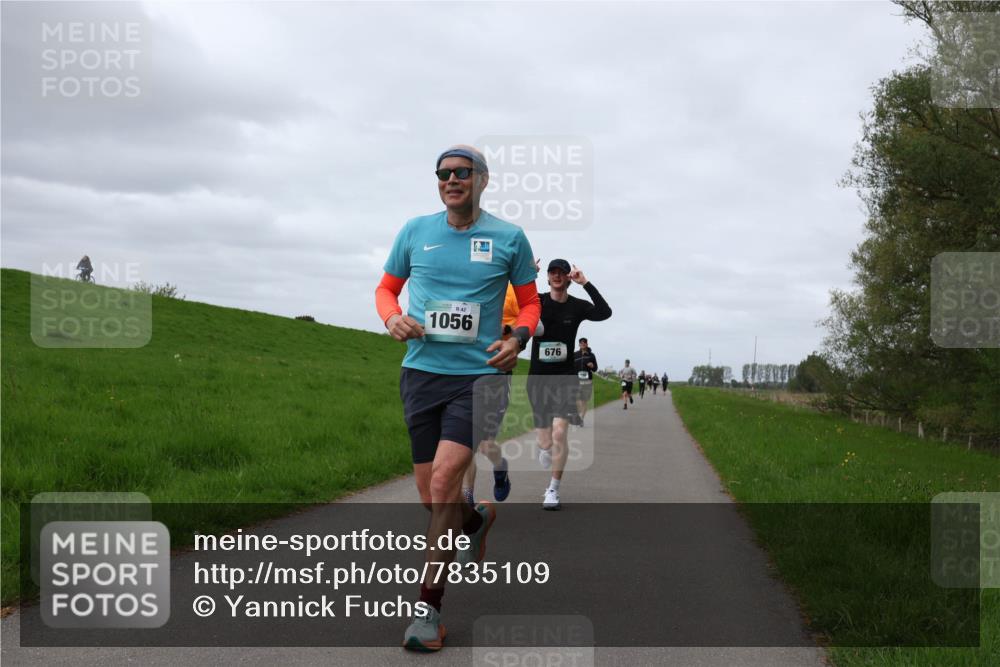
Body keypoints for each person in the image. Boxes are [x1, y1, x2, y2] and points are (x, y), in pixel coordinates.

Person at [375, 144, 541, 652]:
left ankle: (428, 612)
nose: (452, 180)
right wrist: (391, 317)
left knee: (447, 480)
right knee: (433, 501)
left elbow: (531, 303)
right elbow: (385, 289)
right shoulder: (414, 232)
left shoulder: (509, 238)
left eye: (462, 172)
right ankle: (477, 519)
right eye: (444, 173)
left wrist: (517, 338)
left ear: (482, 180)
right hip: (422, 374)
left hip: (481, 377)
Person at [528, 259, 611, 510]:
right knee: (545, 443)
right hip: (538, 379)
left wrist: (585, 282)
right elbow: (513, 298)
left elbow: (604, 312)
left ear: (567, 278)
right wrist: (528, 273)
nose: (556, 276)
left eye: (561, 273)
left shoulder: (577, 307)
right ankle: (545, 449)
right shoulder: (538, 301)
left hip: (565, 378)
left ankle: (553, 489)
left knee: (560, 432)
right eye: (552, 272)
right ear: (548, 277)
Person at [460, 277, 545, 506]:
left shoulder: (513, 291)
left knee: (485, 444)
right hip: (464, 368)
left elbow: (538, 327)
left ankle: (500, 467)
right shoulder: (470, 284)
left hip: (497, 373)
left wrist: (508, 330)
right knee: (466, 440)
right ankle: (467, 497)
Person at [573, 337, 598, 424]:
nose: (583, 344)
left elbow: (595, 369)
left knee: (584, 401)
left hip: (587, 381)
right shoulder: (575, 355)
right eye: (581, 343)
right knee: (576, 400)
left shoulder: (591, 355)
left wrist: (592, 366)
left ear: (587, 344)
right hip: (576, 380)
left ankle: (581, 419)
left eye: (584, 343)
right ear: (579, 344)